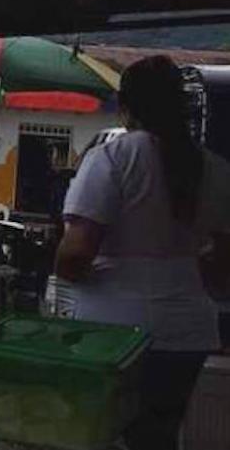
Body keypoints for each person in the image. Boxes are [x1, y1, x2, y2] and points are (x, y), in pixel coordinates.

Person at [57, 55, 230, 450]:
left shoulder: (114, 158)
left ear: (126, 108)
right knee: (157, 439)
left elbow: (75, 256)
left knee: (104, 437)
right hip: (188, 332)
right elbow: (223, 273)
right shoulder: (217, 170)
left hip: (114, 335)